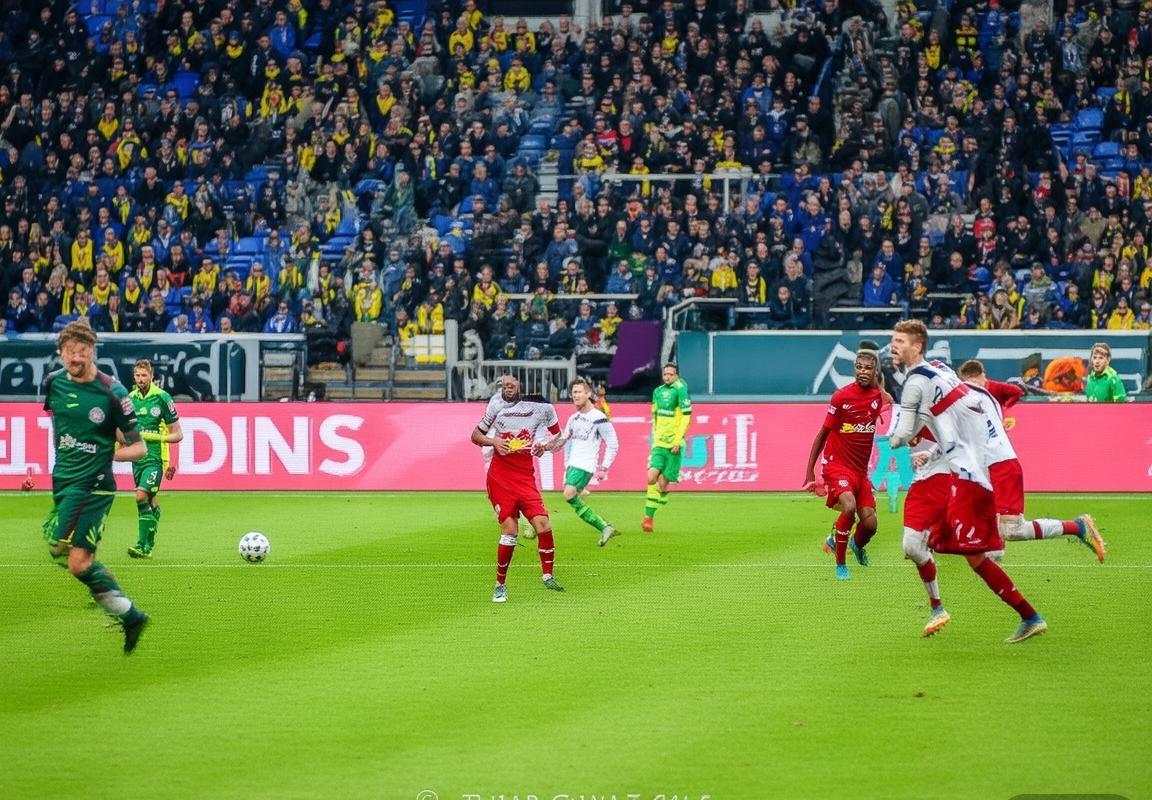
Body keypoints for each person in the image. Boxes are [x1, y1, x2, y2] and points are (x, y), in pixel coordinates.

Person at [889, 320, 1047, 643]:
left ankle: (1030, 614)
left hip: (961, 475)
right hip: (935, 474)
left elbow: (905, 432)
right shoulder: (937, 373)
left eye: (900, 341)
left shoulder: (922, 381)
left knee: (979, 553)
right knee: (912, 545)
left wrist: (897, 438)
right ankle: (938, 608)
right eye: (893, 340)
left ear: (917, 346)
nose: (894, 345)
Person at [41, 321, 150, 653]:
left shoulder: (112, 393)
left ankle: (125, 611)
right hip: (64, 480)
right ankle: (128, 613)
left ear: (92, 351)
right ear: (60, 352)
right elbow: (61, 424)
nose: (76, 357)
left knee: (66, 553)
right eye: (70, 351)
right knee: (74, 559)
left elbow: (139, 447)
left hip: (94, 485)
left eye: (82, 351)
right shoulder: (53, 384)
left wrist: (107, 451)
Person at [958, 360, 1106, 562]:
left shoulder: (980, 392)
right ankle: (993, 547)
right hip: (987, 466)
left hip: (1000, 465)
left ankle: (1077, 526)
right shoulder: (972, 396)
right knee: (979, 515)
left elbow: (1015, 391)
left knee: (1013, 530)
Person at [471, 375, 564, 603]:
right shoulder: (496, 406)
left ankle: (548, 576)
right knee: (510, 530)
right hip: (500, 476)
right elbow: (475, 435)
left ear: (523, 387)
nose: (508, 388)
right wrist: (494, 441)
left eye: (512, 385)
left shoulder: (543, 408)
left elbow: (559, 438)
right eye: (505, 385)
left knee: (543, 523)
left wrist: (545, 447)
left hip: (524, 476)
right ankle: (500, 585)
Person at [802, 350, 885, 580]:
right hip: (837, 465)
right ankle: (840, 564)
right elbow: (822, 435)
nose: (862, 372)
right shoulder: (841, 397)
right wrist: (809, 471)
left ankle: (853, 544)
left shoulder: (878, 397)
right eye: (859, 367)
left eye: (868, 368)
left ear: (875, 370)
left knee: (870, 525)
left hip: (860, 471)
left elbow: (884, 396)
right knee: (849, 506)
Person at [550, 377, 620, 547]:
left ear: (588, 394)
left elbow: (613, 443)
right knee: (573, 496)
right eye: (574, 392)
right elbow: (563, 439)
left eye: (579, 392)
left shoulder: (599, 418)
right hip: (573, 465)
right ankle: (605, 525)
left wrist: (604, 467)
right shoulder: (573, 418)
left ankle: (604, 527)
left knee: (569, 494)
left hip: (585, 465)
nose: (576, 395)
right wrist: (545, 446)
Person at [126, 359, 184, 559]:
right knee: (150, 501)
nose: (140, 379)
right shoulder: (129, 399)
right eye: (137, 375)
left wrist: (157, 438)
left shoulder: (162, 397)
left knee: (140, 497)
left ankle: (142, 545)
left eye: (144, 375)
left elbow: (178, 434)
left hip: (155, 458)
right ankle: (148, 544)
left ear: (151, 376)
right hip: (137, 459)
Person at [642, 363, 692, 532]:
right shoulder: (657, 391)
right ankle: (648, 519)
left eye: (671, 374)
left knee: (661, 485)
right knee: (651, 477)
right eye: (665, 374)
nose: (668, 377)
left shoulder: (681, 390)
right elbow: (655, 417)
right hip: (659, 444)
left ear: (677, 376)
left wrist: (678, 440)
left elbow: (686, 417)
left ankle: (662, 492)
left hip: (674, 445)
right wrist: (655, 438)